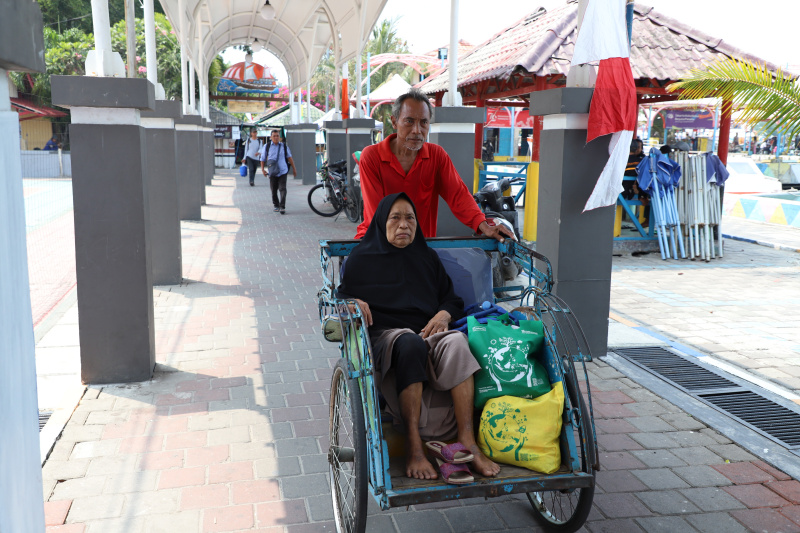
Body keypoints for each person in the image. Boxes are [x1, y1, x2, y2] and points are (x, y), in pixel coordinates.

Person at [338, 192, 501, 482]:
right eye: (396, 218)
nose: (404, 224)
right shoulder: (360, 261)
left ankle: (468, 441)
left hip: (427, 331)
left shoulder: (426, 258)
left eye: (410, 218)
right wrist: (352, 302)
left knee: (456, 342)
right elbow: (343, 297)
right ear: (381, 222)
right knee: (409, 343)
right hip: (387, 337)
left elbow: (451, 299)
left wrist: (443, 315)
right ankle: (415, 446)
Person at [355, 89, 513, 243]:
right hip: (377, 240)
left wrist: (485, 226)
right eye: (409, 121)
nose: (417, 130)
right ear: (395, 122)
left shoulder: (437, 156)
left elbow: (458, 196)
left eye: (424, 122)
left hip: (422, 245)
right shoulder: (372, 156)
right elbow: (376, 213)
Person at [261, 129, 297, 214]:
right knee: (273, 190)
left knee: (282, 188)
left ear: (279, 137)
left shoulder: (284, 146)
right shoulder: (267, 146)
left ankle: (282, 206)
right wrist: (263, 169)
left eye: (277, 136)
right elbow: (262, 159)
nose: (276, 137)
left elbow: (289, 158)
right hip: (272, 172)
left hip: (282, 171)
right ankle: (276, 205)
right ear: (271, 137)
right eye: (274, 136)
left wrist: (294, 168)